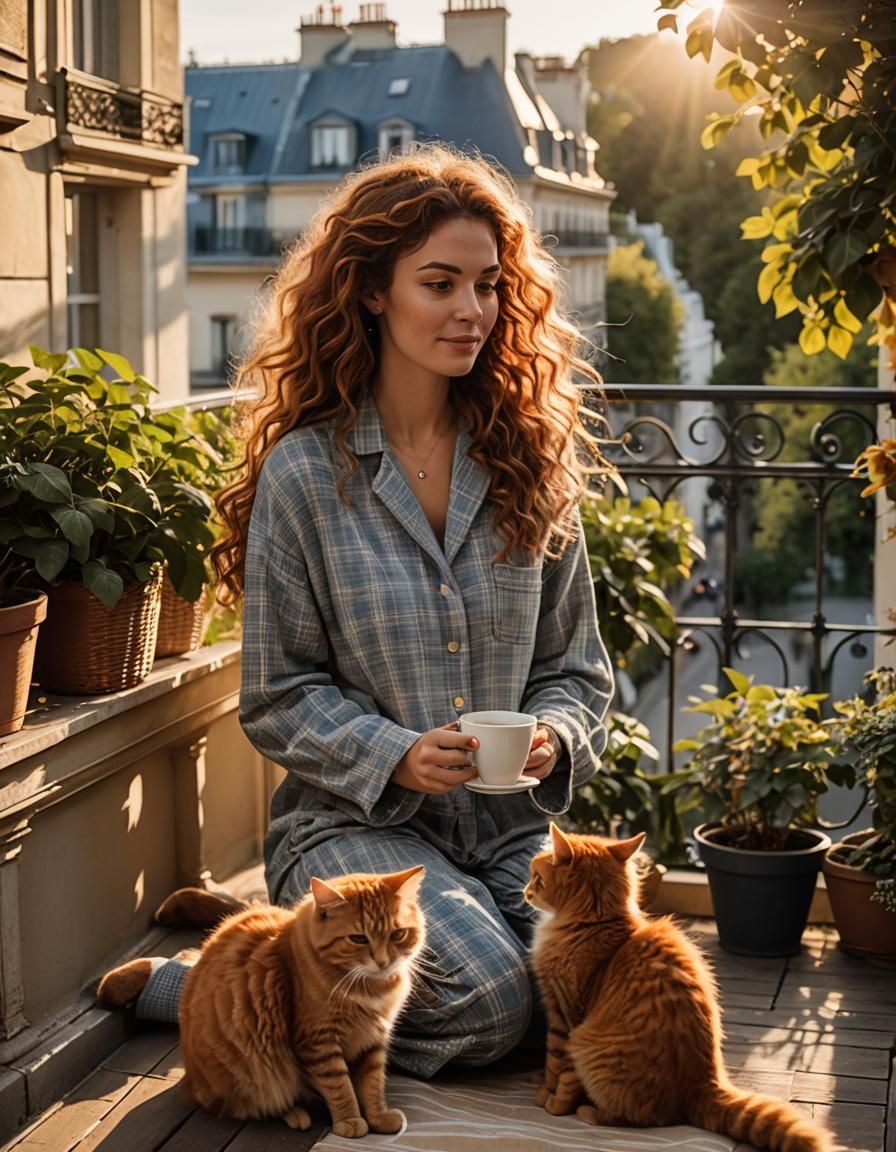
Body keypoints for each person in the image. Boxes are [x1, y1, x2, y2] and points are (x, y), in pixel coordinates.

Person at [101, 144, 613, 1078]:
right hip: (355, 834)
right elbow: (278, 694)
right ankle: (214, 987)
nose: (472, 311)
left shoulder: (528, 464)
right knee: (496, 1006)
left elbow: (579, 669)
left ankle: (276, 950)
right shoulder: (305, 473)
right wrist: (396, 755)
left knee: (594, 990)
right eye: (440, 283)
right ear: (373, 291)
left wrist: (551, 734)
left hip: (507, 831)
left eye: (490, 285)